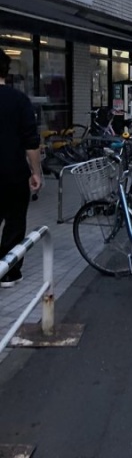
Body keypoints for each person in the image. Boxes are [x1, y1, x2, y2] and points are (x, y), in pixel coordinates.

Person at [0, 48, 42, 288]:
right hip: (13, 174)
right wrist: (36, 172)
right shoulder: (19, 100)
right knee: (15, 223)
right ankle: (9, 272)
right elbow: (31, 142)